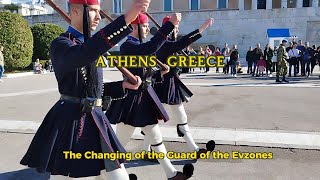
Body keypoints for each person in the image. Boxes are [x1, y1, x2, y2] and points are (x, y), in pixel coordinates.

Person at [20, 0, 150, 180]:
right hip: (69, 122)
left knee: (119, 176)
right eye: (93, 11)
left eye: (99, 11)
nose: (98, 17)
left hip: (96, 119)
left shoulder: (93, 46)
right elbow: (82, 55)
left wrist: (120, 86)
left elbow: (92, 88)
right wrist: (126, 19)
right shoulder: (61, 44)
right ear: (75, 11)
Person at [105, 13, 195, 180]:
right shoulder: (128, 46)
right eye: (145, 26)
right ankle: (104, 175)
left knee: (155, 137)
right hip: (131, 102)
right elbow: (150, 48)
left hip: (143, 100)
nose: (147, 29)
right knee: (118, 146)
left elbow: (146, 74)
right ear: (135, 27)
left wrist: (159, 73)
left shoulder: (138, 45)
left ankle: (171, 174)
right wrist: (169, 26)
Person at [146, 15, 215, 161]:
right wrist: (203, 27)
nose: (177, 29)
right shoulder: (165, 44)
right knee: (155, 120)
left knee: (154, 120)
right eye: (175, 27)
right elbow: (186, 40)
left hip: (169, 82)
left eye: (177, 27)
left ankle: (193, 149)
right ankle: (193, 149)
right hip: (164, 83)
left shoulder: (168, 43)